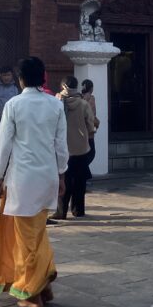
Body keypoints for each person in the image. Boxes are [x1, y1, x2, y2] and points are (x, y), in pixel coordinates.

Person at [0, 56, 68, 307]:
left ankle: (30, 291)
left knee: (27, 239)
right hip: (47, 176)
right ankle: (44, 283)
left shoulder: (14, 104)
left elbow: (3, 144)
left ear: (20, 78)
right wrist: (62, 174)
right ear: (43, 77)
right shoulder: (55, 105)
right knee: (37, 232)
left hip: (22, 179)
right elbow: (61, 145)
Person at [53, 77, 96, 219]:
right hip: (81, 147)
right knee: (79, 179)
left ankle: (61, 211)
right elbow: (90, 125)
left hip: (62, 147)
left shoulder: (57, 102)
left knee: (63, 179)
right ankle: (78, 210)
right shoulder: (83, 104)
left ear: (63, 86)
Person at [80, 79, 99, 172]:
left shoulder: (79, 98)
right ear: (91, 88)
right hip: (89, 131)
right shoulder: (91, 99)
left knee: (82, 154)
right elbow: (92, 115)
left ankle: (82, 172)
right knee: (91, 154)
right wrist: (96, 123)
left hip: (80, 130)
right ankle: (81, 172)